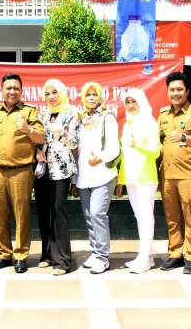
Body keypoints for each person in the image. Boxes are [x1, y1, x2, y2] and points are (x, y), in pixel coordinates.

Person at [0, 73, 45, 274]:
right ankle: (4, 254)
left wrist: (27, 129)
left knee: (22, 215)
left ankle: (20, 255)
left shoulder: (29, 112)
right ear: (1, 90)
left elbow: (41, 136)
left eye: (15, 88)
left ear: (21, 91)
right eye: (8, 88)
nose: (12, 91)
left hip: (21, 171)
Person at [157, 72, 191, 275]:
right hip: (167, 174)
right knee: (172, 216)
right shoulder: (163, 114)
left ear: (187, 91)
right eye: (172, 90)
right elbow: (158, 142)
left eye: (179, 89)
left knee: (190, 216)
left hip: (188, 173)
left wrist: (184, 136)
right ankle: (175, 253)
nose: (175, 93)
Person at [34, 79, 80, 276]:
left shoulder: (72, 112)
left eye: (54, 92)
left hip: (61, 169)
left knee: (58, 210)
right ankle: (47, 255)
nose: (51, 96)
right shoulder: (42, 113)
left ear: (62, 92)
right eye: (47, 93)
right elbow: (38, 137)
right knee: (44, 211)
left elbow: (74, 143)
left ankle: (63, 260)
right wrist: (37, 151)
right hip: (43, 168)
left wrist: (62, 134)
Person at [76, 81, 119, 275]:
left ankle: (102, 257)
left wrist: (99, 158)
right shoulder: (80, 118)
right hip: (84, 176)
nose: (91, 98)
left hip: (102, 174)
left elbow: (113, 148)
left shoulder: (107, 117)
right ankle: (94, 252)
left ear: (100, 97)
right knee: (88, 216)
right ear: (83, 98)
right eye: (88, 95)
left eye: (95, 95)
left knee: (97, 214)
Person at [117, 88, 161, 274]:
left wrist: (139, 144)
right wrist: (120, 179)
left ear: (141, 102)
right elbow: (124, 153)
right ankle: (146, 256)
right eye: (127, 102)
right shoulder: (127, 124)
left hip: (145, 176)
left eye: (134, 101)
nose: (131, 105)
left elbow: (156, 151)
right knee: (139, 216)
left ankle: (144, 258)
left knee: (146, 217)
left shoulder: (149, 122)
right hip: (130, 176)